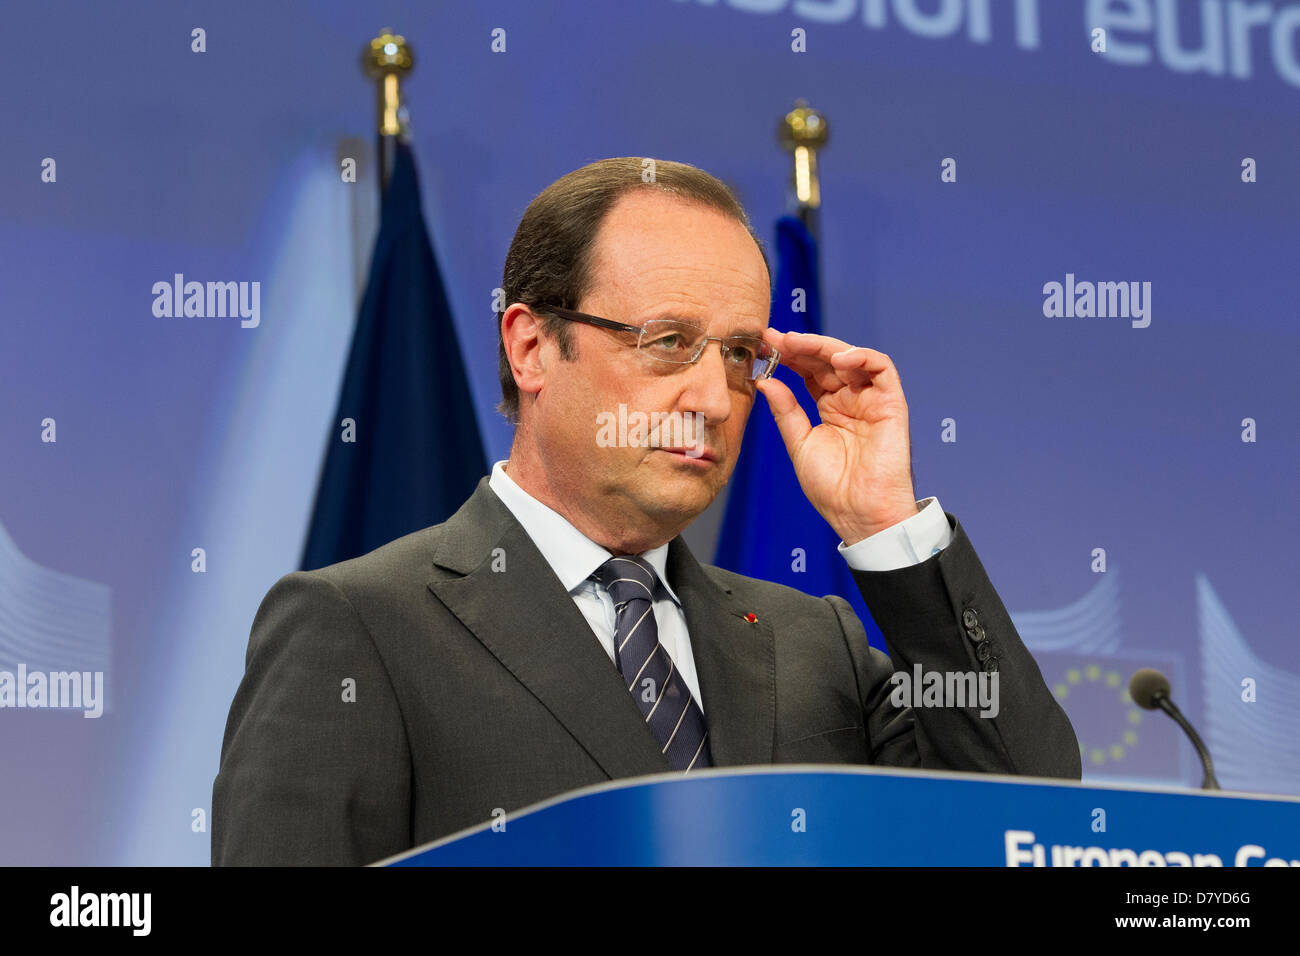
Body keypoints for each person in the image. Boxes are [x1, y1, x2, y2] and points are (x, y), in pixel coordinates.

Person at [211, 157, 1080, 866]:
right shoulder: (358, 626)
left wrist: (885, 523)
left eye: (741, 353)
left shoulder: (814, 644)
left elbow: (1023, 817)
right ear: (530, 347)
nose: (712, 396)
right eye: (668, 342)